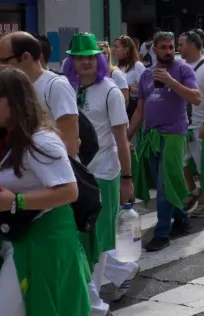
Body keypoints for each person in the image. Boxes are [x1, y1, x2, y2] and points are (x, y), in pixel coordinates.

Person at [0, 68, 91, 315]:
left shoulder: (41, 140)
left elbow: (69, 191)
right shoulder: (1, 137)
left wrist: (15, 201)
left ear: (15, 101)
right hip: (19, 236)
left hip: (48, 238)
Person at [63, 34, 135, 311]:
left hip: (104, 173)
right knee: (81, 234)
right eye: (80, 57)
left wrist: (127, 179)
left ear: (100, 59)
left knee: (99, 235)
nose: (86, 62)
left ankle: (91, 301)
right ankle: (117, 274)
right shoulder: (67, 88)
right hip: (75, 172)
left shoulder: (110, 91)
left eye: (91, 57)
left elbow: (121, 140)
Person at [128, 32, 201, 252]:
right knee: (164, 184)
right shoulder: (146, 75)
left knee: (164, 187)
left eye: (171, 47)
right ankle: (181, 219)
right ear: (155, 50)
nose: (169, 51)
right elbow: (140, 110)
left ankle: (162, 233)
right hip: (151, 137)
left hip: (174, 135)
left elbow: (196, 98)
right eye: (164, 48)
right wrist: (126, 136)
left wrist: (171, 82)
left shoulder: (183, 70)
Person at [0, 32, 79, 156]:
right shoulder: (14, 87)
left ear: (26, 57)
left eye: (5, 60)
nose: (0, 66)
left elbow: (70, 140)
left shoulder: (56, 85)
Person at [177, 32, 204, 218]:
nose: (178, 49)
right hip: (183, 125)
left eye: (181, 44)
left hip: (202, 125)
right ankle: (193, 191)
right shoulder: (180, 66)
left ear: (194, 44)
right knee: (182, 162)